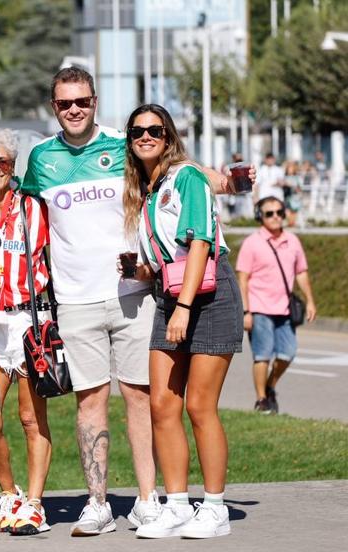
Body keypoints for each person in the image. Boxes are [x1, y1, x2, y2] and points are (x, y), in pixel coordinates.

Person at [21, 67, 161, 536]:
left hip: (132, 295)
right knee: (90, 401)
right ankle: (98, 503)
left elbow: (176, 172)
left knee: (139, 398)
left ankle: (147, 500)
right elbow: (21, 216)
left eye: (82, 101)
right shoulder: (41, 157)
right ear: (53, 107)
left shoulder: (123, 145)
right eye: (65, 103)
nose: (74, 109)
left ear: (95, 102)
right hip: (75, 300)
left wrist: (226, 181)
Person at [122, 103, 243, 539]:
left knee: (199, 406)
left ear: (169, 136)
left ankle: (214, 508)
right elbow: (165, 259)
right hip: (172, 294)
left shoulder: (187, 178)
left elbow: (200, 244)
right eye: (137, 131)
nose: (145, 136)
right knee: (161, 405)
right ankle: (175, 504)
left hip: (208, 296)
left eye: (155, 130)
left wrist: (186, 307)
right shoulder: (148, 189)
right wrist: (137, 270)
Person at [0, 128, 53, 536]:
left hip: (30, 320)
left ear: (14, 167)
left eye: (4, 162)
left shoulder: (34, 208)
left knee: (30, 419)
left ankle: (34, 503)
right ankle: (10, 493)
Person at [236, 197, 317, 414]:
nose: (275, 217)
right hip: (260, 308)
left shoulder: (292, 241)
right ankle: (261, 400)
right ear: (259, 217)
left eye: (279, 212)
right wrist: (246, 311)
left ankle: (270, 386)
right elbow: (242, 279)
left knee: (287, 353)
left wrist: (309, 300)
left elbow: (301, 272)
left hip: (284, 309)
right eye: (269, 213)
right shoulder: (252, 243)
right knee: (262, 355)